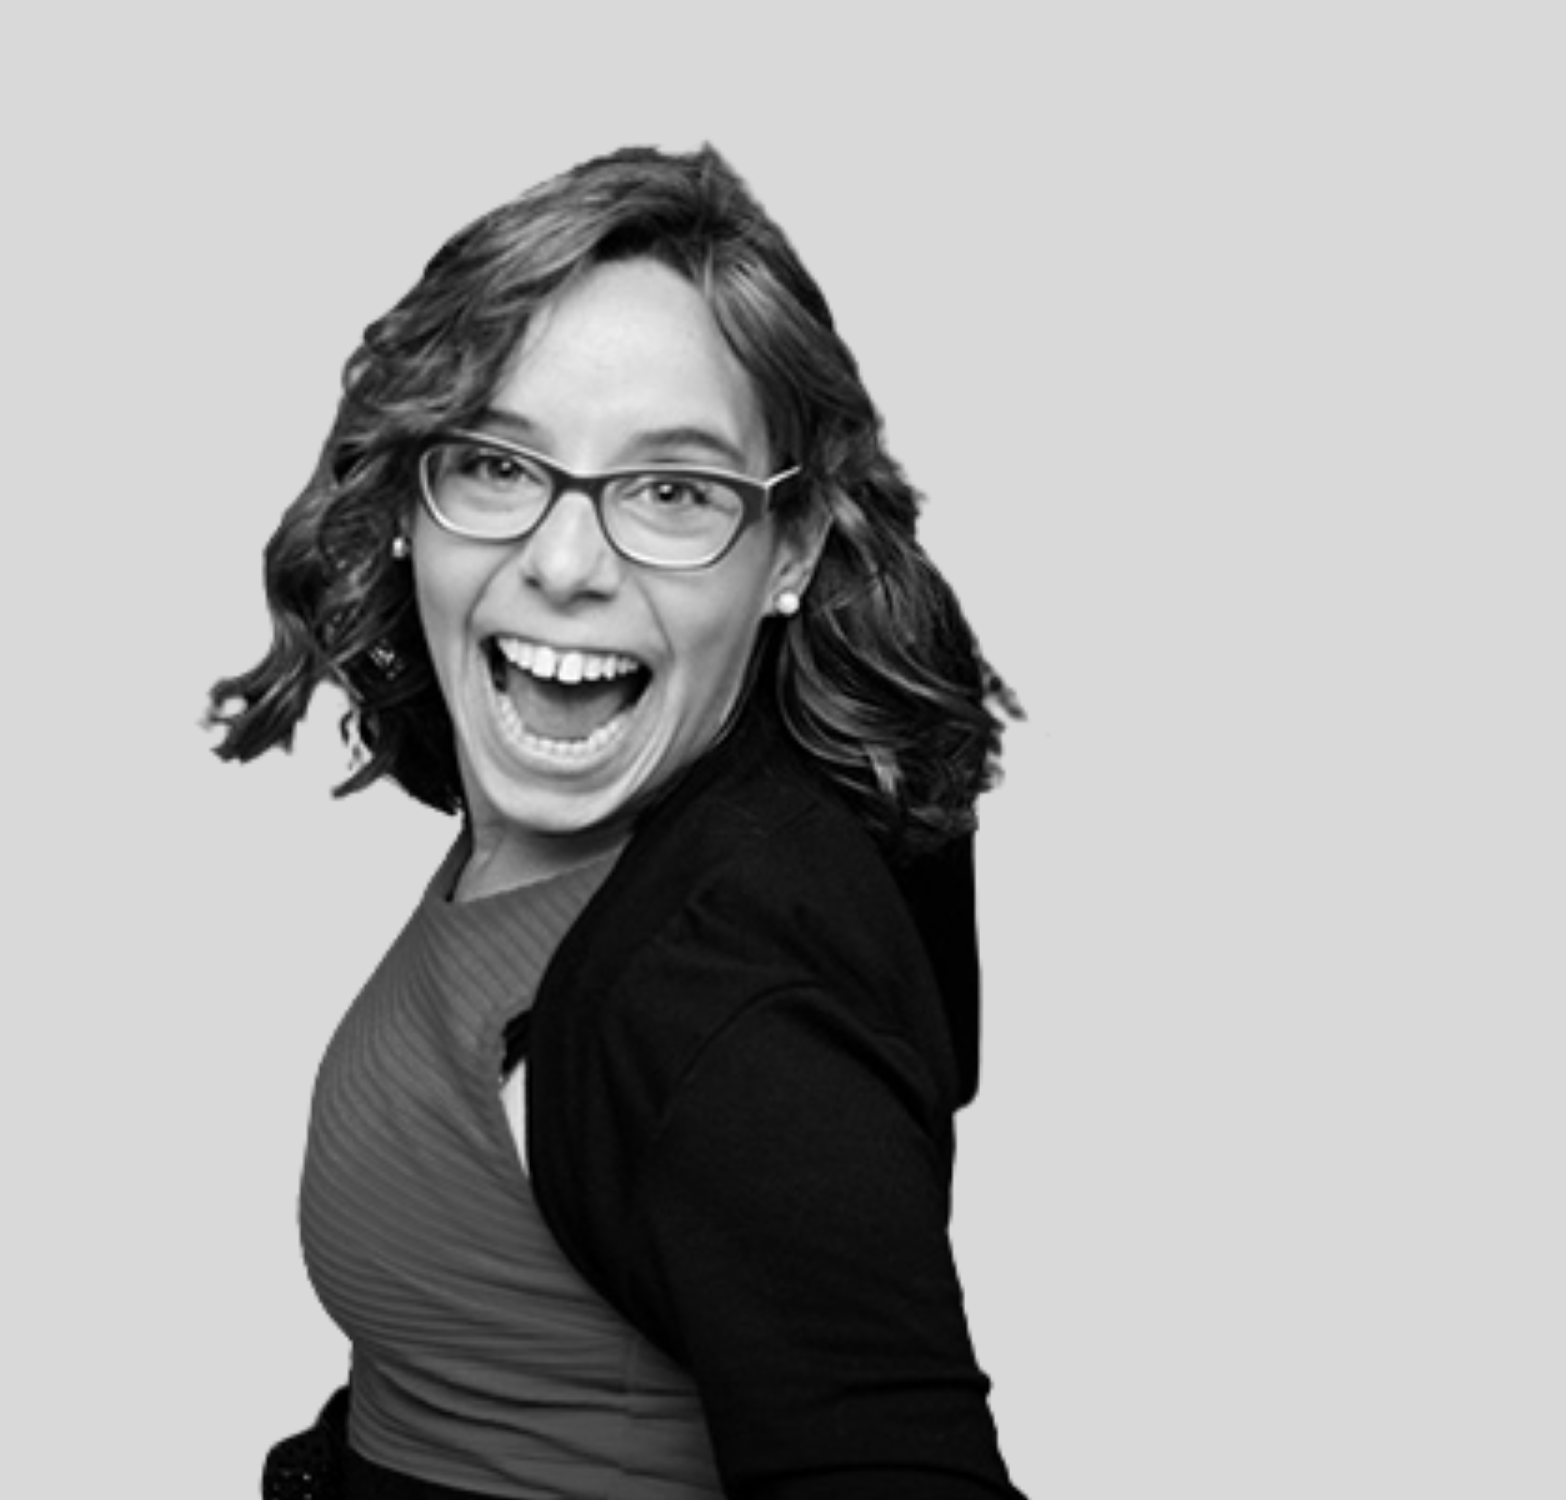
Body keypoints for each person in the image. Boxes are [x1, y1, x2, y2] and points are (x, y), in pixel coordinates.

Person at [208, 144, 1025, 1500]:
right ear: (412, 497)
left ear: (798, 545)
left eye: (675, 492)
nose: (564, 563)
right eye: (494, 463)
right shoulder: (550, 771)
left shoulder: (722, 1006)